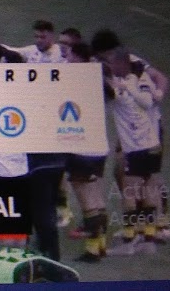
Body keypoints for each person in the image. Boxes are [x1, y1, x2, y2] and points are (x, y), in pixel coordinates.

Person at [104, 46, 165, 256]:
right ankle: (149, 239)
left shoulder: (123, 86)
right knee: (149, 190)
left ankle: (129, 241)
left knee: (129, 193)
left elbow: (111, 93)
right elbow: (149, 100)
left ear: (122, 63)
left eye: (112, 63)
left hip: (136, 148)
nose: (110, 66)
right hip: (153, 144)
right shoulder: (141, 79)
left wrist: (121, 86)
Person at [65, 42, 111, 262]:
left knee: (86, 201)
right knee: (96, 198)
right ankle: (101, 245)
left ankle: (92, 250)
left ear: (77, 56)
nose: (66, 59)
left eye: (69, 55)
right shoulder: (98, 77)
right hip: (99, 147)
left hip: (81, 147)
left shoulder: (78, 78)